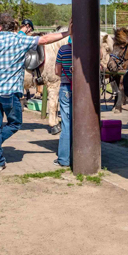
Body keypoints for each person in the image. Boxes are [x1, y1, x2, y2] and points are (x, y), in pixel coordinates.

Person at [0, 13, 71, 171]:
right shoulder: (19, 40)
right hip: (9, 92)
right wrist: (67, 33)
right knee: (14, 124)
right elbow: (45, 40)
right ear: (12, 27)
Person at [54, 37, 72, 167]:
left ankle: (64, 159)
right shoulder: (86, 49)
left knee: (66, 124)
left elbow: (57, 71)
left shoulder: (63, 49)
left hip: (66, 87)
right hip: (82, 91)